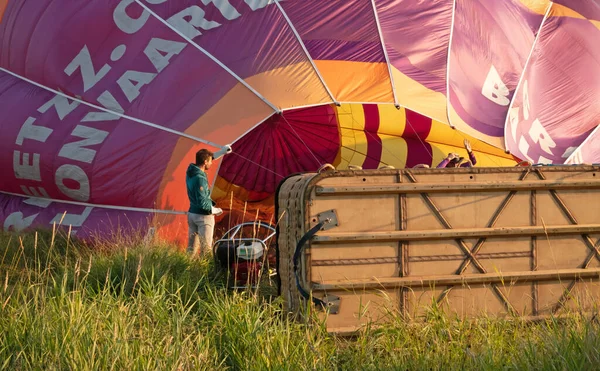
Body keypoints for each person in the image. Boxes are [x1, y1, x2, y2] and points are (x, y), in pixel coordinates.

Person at [186, 145, 231, 256]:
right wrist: (215, 210)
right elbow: (203, 203)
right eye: (210, 161)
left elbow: (208, 158)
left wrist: (221, 152)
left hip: (192, 214)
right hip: (203, 217)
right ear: (205, 162)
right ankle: (205, 273)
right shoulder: (200, 179)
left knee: (191, 250)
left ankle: (187, 270)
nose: (211, 163)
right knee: (206, 250)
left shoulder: (190, 171)